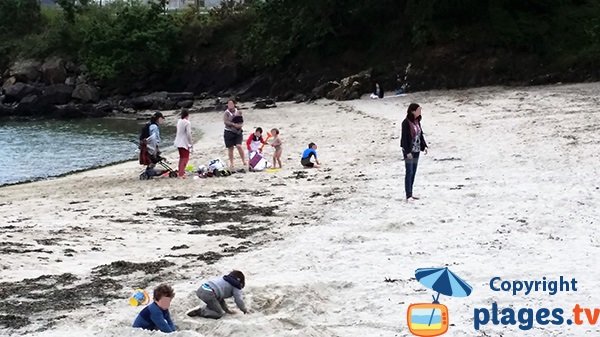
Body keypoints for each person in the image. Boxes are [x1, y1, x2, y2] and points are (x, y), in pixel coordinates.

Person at [400, 103, 428, 201]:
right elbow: (404, 139)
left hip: (416, 150)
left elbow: (420, 135)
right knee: (409, 171)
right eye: (418, 110)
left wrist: (424, 146)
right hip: (409, 150)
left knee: (413, 171)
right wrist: (407, 152)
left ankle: (410, 193)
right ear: (412, 111)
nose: (420, 112)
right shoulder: (405, 123)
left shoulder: (417, 122)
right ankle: (408, 195)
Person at [223, 99, 247, 169]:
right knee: (230, 148)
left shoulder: (238, 111)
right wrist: (233, 124)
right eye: (228, 104)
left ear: (234, 104)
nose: (229, 105)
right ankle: (232, 163)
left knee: (239, 146)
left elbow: (241, 120)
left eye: (231, 104)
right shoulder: (226, 113)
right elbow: (226, 122)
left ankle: (243, 160)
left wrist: (239, 126)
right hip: (228, 132)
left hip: (238, 132)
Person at [174, 110, 193, 178]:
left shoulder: (179, 121)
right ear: (187, 115)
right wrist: (190, 143)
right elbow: (188, 134)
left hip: (178, 141)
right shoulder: (187, 122)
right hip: (183, 142)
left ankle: (180, 171)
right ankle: (181, 173)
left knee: (181, 157)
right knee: (185, 158)